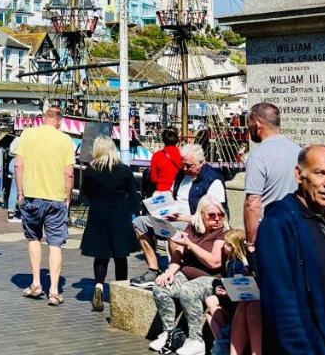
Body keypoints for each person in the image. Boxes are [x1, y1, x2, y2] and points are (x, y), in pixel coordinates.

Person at [255, 145, 325, 355]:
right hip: (304, 346)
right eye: (320, 173)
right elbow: (279, 301)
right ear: (299, 175)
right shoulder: (278, 224)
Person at [132, 144, 227, 287]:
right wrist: (159, 198)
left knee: (174, 231)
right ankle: (153, 269)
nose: (185, 169)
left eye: (189, 166)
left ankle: (173, 271)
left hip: (193, 223)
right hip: (172, 216)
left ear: (201, 163)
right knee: (139, 222)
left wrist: (179, 217)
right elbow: (171, 193)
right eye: (183, 165)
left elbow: (214, 215)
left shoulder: (213, 180)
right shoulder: (182, 174)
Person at [148, 197, 230, 355]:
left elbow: (215, 263)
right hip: (186, 273)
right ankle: (169, 334)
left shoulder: (223, 232)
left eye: (220, 215)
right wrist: (170, 271)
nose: (217, 218)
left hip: (212, 278)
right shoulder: (193, 227)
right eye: (211, 215)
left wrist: (190, 245)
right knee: (161, 287)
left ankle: (196, 340)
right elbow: (179, 252)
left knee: (188, 290)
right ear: (201, 215)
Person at [15, 106, 75, 307]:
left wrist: (20, 193)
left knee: (33, 238)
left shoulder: (28, 135)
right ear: (59, 121)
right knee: (55, 243)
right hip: (56, 198)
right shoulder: (65, 140)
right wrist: (67, 198)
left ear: (43, 119)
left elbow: (19, 166)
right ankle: (54, 290)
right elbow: (69, 174)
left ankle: (36, 284)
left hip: (31, 196)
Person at [80, 135, 139, 313]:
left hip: (99, 214)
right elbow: (133, 195)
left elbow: (85, 195)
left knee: (101, 254)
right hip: (119, 214)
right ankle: (120, 291)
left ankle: (98, 287)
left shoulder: (91, 170)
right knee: (121, 255)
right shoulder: (124, 170)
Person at [243, 102, 302, 249]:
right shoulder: (299, 151)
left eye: (249, 124)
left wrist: (251, 243)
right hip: (297, 228)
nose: (248, 128)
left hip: (270, 232)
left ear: (257, 124)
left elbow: (253, 204)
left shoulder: (258, 156)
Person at [149, 127, 183, 193]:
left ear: (163, 139)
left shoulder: (157, 156)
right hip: (178, 191)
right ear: (177, 139)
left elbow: (153, 178)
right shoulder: (182, 154)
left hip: (162, 192)